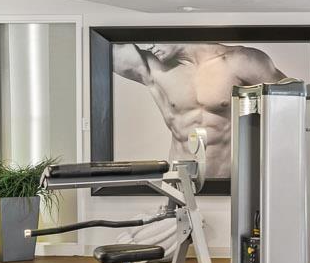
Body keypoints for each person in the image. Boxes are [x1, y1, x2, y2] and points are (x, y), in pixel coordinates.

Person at [112, 41, 298, 179]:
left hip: (231, 183)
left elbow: (293, 101)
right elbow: (107, 48)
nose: (150, 46)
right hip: (180, 184)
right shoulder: (153, 68)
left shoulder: (240, 61)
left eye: (153, 37)